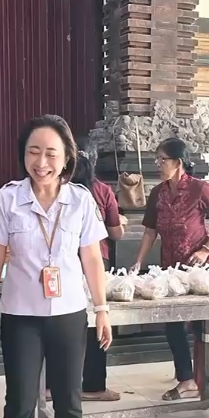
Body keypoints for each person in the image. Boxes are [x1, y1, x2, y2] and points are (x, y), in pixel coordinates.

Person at [0, 115, 111, 418]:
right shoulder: (7, 199)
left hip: (69, 313)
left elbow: (92, 258)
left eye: (51, 153)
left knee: (69, 400)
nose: (41, 162)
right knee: (19, 403)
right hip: (21, 315)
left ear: (67, 157)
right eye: (33, 152)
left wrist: (102, 308)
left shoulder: (81, 201)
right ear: (23, 155)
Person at [131, 136, 209, 401]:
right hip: (170, 270)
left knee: (201, 323)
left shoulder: (200, 189)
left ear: (178, 163)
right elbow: (150, 231)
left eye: (162, 160)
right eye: (157, 159)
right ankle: (186, 379)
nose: (158, 164)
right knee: (173, 324)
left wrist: (206, 249)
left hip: (198, 268)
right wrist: (139, 260)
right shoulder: (158, 193)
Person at [74, 150, 125, 402]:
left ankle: (51, 385)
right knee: (96, 321)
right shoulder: (102, 191)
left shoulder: (58, 189)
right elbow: (116, 233)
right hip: (95, 261)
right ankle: (93, 386)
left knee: (62, 323)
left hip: (63, 264)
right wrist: (120, 223)